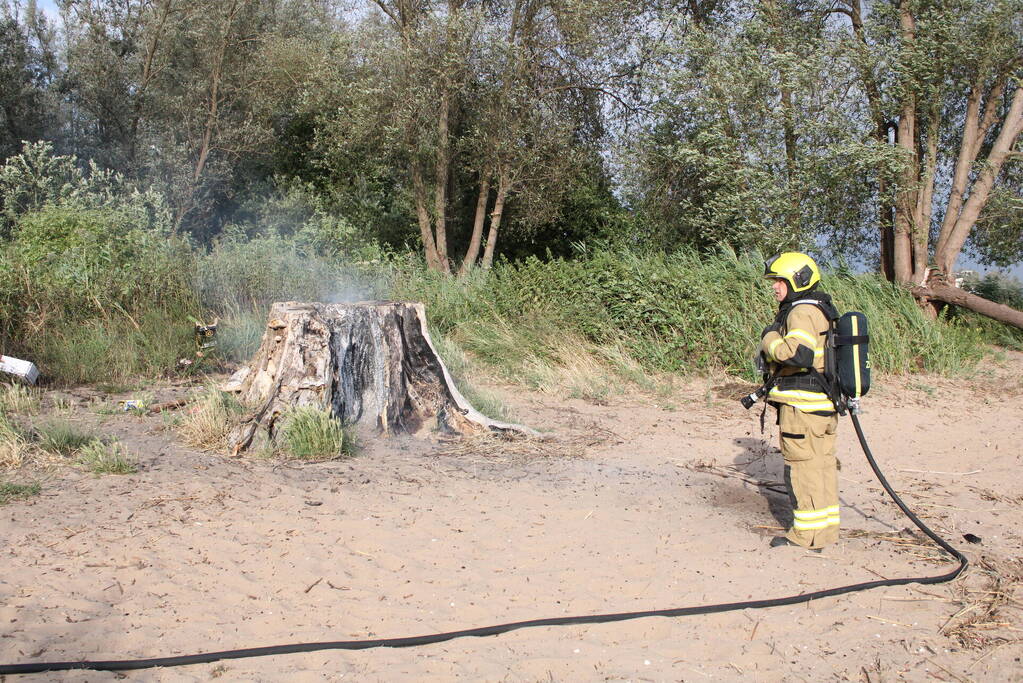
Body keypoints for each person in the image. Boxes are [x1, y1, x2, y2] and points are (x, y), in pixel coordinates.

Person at [759, 252, 840, 551]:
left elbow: (798, 354)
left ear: (797, 279)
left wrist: (769, 339)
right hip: (821, 406)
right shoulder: (820, 308)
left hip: (802, 408)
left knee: (803, 470)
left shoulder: (800, 312)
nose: (775, 287)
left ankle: (805, 536)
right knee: (822, 467)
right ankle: (825, 532)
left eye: (780, 281)